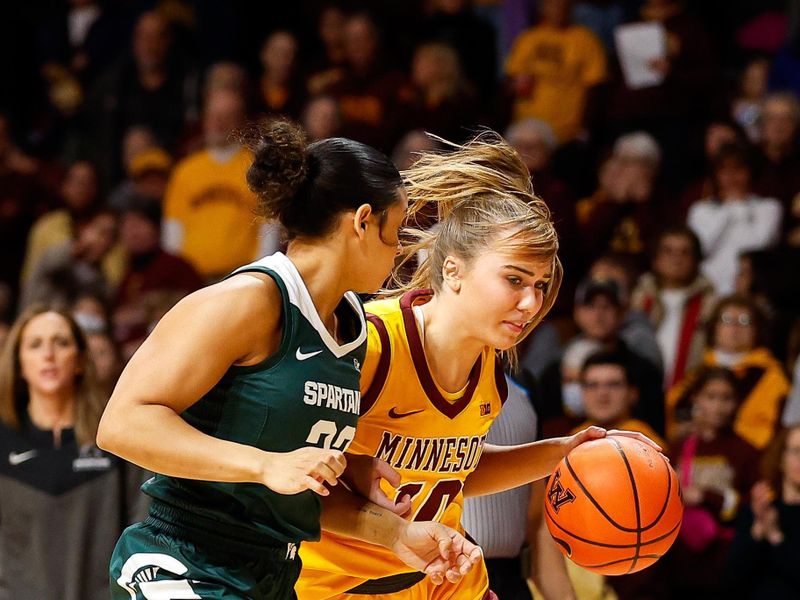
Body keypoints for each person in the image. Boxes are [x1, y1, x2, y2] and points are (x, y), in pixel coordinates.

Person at [97, 119, 480, 600]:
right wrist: (262, 464)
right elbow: (122, 424)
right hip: (185, 561)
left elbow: (300, 493)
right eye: (396, 229)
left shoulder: (353, 328)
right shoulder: (250, 300)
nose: (401, 247)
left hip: (274, 573)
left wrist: (399, 535)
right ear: (362, 221)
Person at [296, 132, 660, 599]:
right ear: (452, 270)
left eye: (540, 284)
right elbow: (297, 479)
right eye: (514, 279)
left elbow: (452, 469)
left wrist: (565, 451)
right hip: (339, 586)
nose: (531, 301)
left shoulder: (489, 365)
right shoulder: (368, 344)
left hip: (442, 581)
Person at [0, 306, 148, 600]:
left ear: (80, 360)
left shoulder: (115, 437)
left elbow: (141, 527)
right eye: (35, 344)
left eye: (62, 342)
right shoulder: (3, 439)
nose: (49, 354)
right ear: (19, 363)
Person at [726, 425, 800, 597]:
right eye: (796, 451)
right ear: (781, 458)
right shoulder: (756, 510)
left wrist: (775, 536)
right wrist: (758, 529)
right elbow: (731, 580)